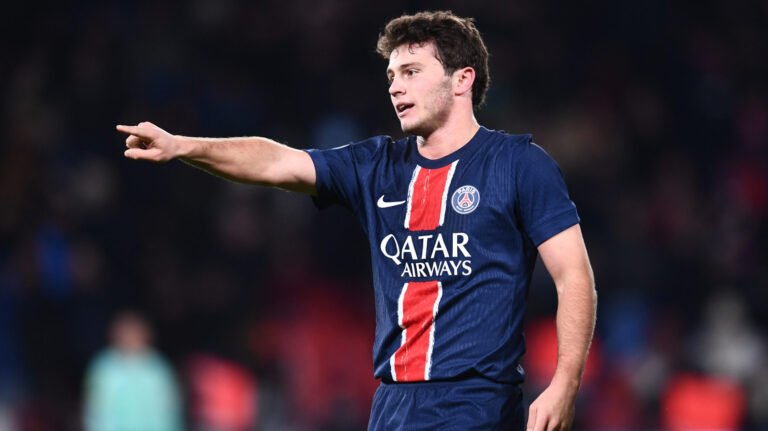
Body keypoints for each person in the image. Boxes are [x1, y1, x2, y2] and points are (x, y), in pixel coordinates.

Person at [117, 10, 596, 431]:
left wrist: (564, 383)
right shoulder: (376, 166)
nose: (395, 86)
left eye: (411, 71)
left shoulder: (519, 165)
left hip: (479, 403)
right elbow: (275, 162)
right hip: (392, 404)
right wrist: (184, 146)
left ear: (462, 79)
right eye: (391, 74)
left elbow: (573, 275)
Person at [84, 311, 183, 431]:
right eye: (126, 333)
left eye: (135, 332)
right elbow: (95, 410)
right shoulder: (103, 367)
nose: (131, 337)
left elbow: (169, 410)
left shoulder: (158, 367)